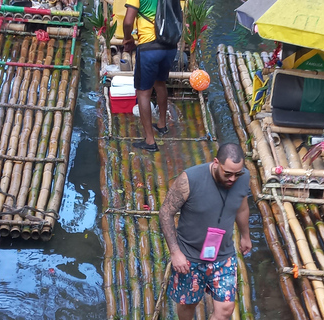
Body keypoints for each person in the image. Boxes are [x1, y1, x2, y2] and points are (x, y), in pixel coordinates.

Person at [159, 143, 252, 320]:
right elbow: (165, 212)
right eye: (228, 173)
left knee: (226, 310)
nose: (233, 179)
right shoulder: (190, 179)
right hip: (189, 257)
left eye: (237, 174)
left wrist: (245, 236)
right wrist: (175, 252)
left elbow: (241, 207)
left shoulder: (243, 177)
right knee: (188, 304)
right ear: (216, 162)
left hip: (223, 255)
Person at [123, 0, 177, 152]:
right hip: (169, 45)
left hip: (149, 48)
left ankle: (149, 140)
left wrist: (128, 38)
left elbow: (128, 22)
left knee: (143, 92)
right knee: (160, 83)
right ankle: (161, 124)